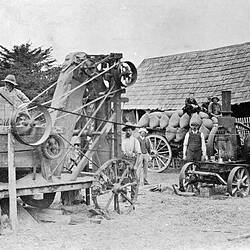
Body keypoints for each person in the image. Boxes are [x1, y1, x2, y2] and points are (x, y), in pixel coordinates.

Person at [121, 122, 141, 199]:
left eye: (129, 130)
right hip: (124, 160)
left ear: (132, 131)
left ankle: (133, 197)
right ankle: (123, 196)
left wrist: (136, 165)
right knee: (122, 178)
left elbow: (138, 153)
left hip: (132, 160)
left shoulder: (135, 141)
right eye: (126, 130)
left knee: (134, 179)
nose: (128, 132)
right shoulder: (123, 140)